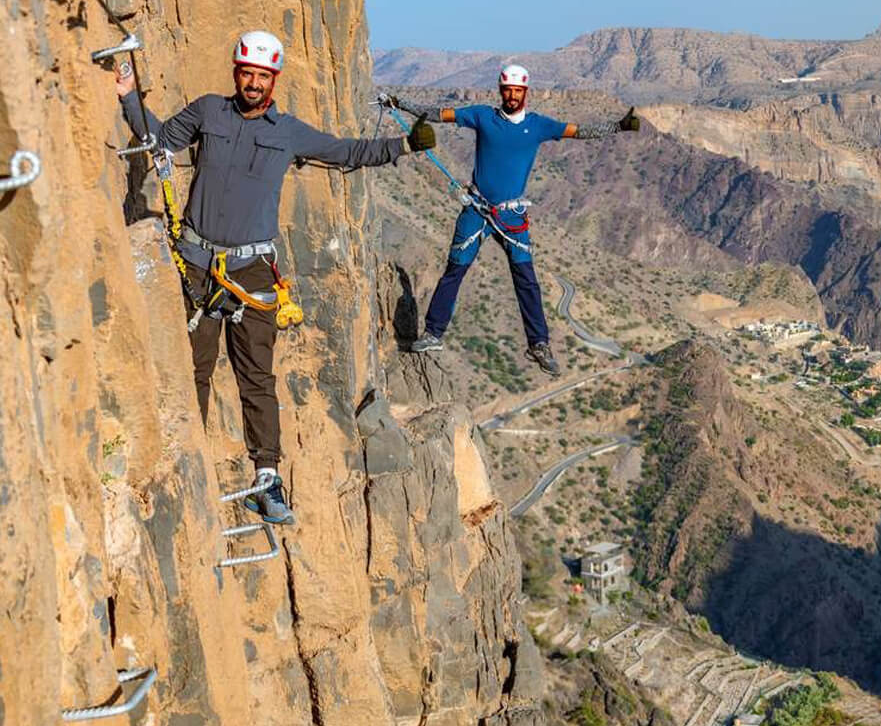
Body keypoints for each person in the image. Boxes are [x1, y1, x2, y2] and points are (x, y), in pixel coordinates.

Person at [116, 31, 437, 524]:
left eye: (262, 76)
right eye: (247, 72)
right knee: (194, 370)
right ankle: (194, 464)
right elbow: (158, 140)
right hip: (198, 267)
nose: (253, 82)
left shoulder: (286, 131)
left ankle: (267, 478)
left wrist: (403, 146)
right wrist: (128, 95)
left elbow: (346, 152)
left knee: (256, 377)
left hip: (252, 271)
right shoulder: (207, 112)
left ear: (273, 81)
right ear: (235, 72)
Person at [385, 64, 640, 375]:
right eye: (507, 90)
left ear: (525, 93)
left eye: (517, 91)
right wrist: (403, 104)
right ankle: (433, 333)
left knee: (526, 279)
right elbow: (441, 114)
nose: (511, 96)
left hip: (512, 216)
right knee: (454, 270)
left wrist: (619, 126)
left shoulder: (539, 126)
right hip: (477, 209)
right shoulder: (482, 116)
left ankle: (539, 344)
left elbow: (578, 132)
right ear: (501, 90)